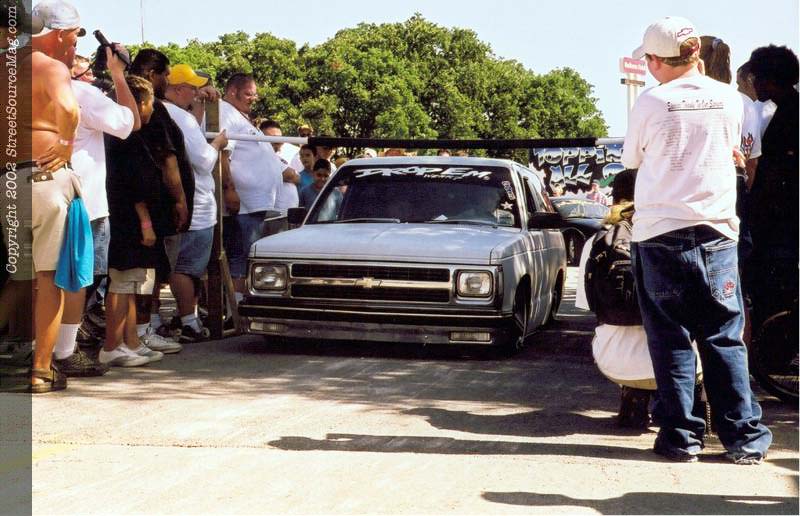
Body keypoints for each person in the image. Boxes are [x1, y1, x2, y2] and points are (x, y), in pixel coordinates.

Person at [623, 16, 771, 464]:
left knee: (670, 337)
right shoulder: (731, 100)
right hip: (717, 231)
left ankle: (681, 438)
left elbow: (632, 161)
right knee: (723, 337)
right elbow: (742, 157)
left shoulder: (651, 101)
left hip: (658, 232)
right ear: (696, 55)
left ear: (655, 61)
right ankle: (743, 439)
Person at [51, 42, 141, 377]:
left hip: (38, 192)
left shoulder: (20, 87)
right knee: (77, 278)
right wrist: (118, 74)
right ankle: (63, 350)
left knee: (37, 279)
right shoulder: (82, 93)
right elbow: (130, 122)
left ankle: (37, 347)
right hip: (82, 201)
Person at [21, 0, 84, 391]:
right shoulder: (51, 67)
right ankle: (41, 369)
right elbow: (68, 109)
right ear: (59, 34)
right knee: (48, 278)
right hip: (42, 178)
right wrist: (65, 142)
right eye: (75, 35)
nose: (76, 43)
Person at [127, 48, 191, 352]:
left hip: (151, 205)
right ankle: (141, 330)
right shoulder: (147, 108)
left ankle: (143, 327)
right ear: (152, 75)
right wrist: (179, 199)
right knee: (144, 271)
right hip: (149, 206)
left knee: (149, 271)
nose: (167, 80)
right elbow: (167, 159)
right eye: (165, 74)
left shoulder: (147, 106)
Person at [101, 76, 168, 367]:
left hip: (131, 221)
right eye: (151, 103)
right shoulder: (124, 138)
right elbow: (131, 185)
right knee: (121, 282)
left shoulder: (130, 137)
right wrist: (146, 223)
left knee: (130, 284)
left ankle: (130, 341)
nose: (152, 109)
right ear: (139, 104)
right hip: (128, 222)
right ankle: (111, 344)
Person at [163, 64, 228, 342]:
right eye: (192, 88)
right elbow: (203, 159)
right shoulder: (180, 117)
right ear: (178, 89)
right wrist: (217, 144)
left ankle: (164, 321)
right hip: (195, 204)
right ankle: (189, 321)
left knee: (176, 266)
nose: (196, 92)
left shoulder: (164, 111)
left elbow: (192, 137)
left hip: (179, 200)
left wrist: (199, 103)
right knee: (186, 268)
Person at [219, 73, 297, 294]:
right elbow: (223, 154)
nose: (254, 98)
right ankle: (235, 306)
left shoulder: (240, 116)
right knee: (241, 259)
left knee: (247, 259)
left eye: (255, 94)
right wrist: (229, 190)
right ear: (232, 91)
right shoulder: (225, 112)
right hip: (243, 205)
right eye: (248, 94)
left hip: (254, 205)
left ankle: (238, 304)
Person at [744, 45, 798, 331]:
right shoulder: (784, 110)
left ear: (770, 80)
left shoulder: (790, 116)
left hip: (780, 225)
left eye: (757, 77)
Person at [260, 119, 300, 210]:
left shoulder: (292, 151)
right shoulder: (261, 155)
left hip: (290, 211)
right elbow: (291, 176)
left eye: (279, 138)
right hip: (271, 211)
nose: (278, 141)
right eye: (272, 138)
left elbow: (298, 177)